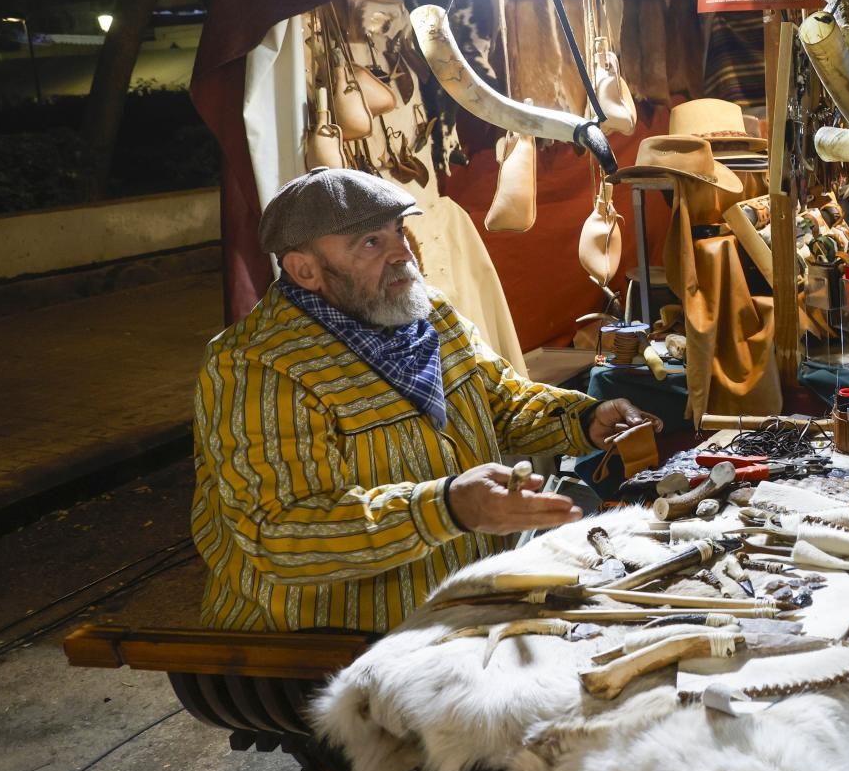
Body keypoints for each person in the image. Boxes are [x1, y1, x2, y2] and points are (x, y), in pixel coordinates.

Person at [192, 167, 659, 634]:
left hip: (460, 609)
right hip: (324, 646)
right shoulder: (258, 366)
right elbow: (280, 532)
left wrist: (582, 417)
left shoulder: (428, 313)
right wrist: (447, 507)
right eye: (370, 243)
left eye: (398, 230)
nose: (403, 253)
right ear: (305, 270)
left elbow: (500, 401)